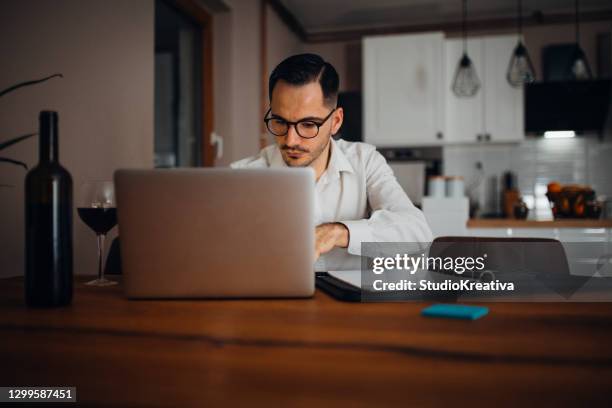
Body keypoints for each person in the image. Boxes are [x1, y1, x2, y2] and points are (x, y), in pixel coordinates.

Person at [231, 53, 432, 271]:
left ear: (335, 121)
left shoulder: (365, 161)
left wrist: (337, 232)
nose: (290, 140)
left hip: (353, 302)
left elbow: (417, 233)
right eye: (280, 122)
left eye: (308, 124)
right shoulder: (242, 176)